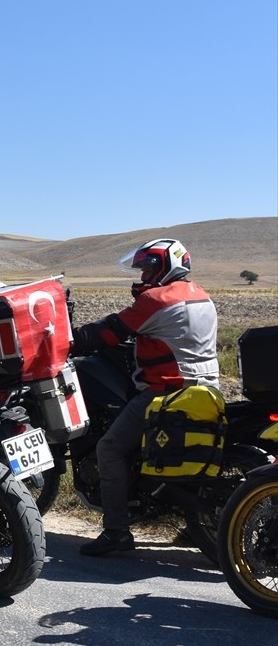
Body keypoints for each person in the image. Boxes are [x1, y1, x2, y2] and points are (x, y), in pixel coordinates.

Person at [71, 238, 220, 556]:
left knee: (108, 449)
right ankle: (194, 525)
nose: (144, 276)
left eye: (149, 268)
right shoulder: (202, 295)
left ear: (168, 266)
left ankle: (116, 532)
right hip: (207, 390)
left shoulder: (157, 299)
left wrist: (73, 340)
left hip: (167, 394)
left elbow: (108, 331)